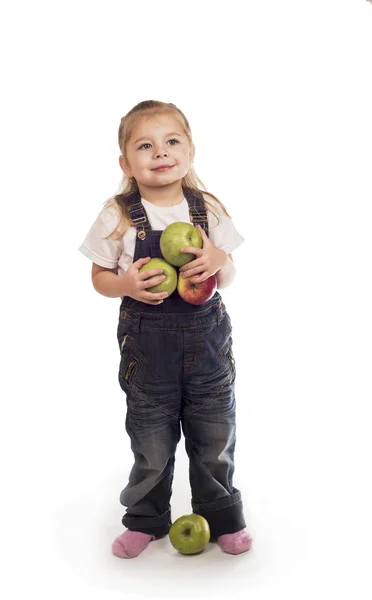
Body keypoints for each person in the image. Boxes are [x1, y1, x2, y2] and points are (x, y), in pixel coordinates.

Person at [78, 100, 253, 558]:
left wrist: (218, 260)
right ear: (126, 163)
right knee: (151, 441)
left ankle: (221, 516)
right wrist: (127, 285)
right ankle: (146, 518)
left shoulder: (206, 209)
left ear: (190, 151)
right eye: (145, 145)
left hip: (207, 346)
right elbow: (99, 279)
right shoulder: (117, 215)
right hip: (149, 351)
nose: (160, 152)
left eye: (171, 141)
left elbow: (227, 276)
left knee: (214, 435)